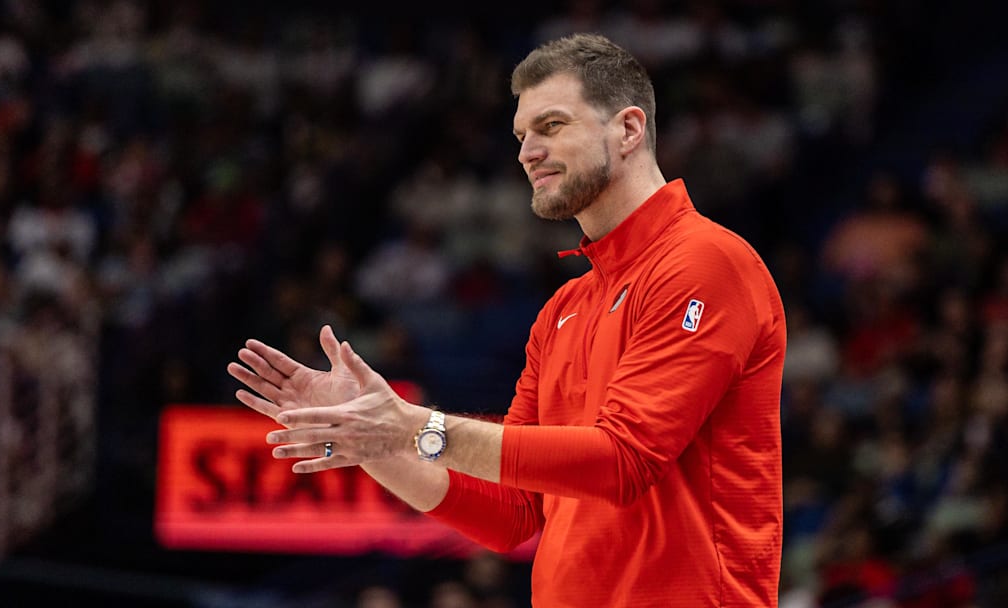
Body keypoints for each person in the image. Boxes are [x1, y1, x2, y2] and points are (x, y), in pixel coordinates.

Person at [228, 33, 786, 607]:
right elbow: (513, 511)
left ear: (628, 129)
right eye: (521, 136)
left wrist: (413, 426)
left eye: (551, 126)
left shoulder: (704, 261)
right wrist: (371, 439)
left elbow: (624, 461)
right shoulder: (565, 308)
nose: (527, 153)